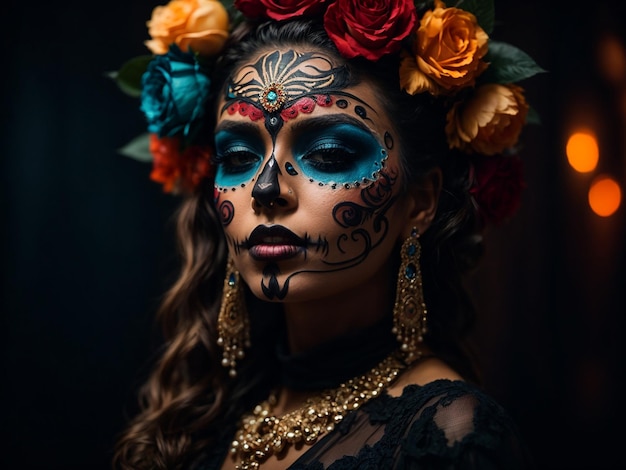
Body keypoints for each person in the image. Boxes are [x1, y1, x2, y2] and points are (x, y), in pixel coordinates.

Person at [111, 0, 543, 468]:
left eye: (331, 154)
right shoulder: (205, 416)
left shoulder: (451, 434)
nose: (266, 189)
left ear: (420, 200)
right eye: (237, 158)